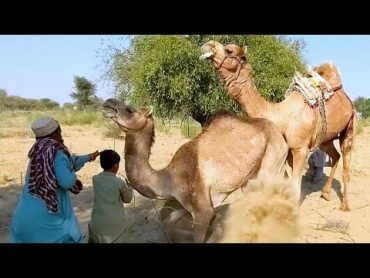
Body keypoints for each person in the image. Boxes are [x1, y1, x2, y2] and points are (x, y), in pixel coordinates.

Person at [9, 116, 100, 243]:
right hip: (48, 223)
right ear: (56, 132)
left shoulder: (39, 152)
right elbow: (66, 180)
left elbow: (66, 164)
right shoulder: (57, 151)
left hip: (23, 219)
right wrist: (74, 177)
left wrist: (89, 157)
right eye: (60, 131)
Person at [88, 149, 133, 243]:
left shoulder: (95, 179)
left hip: (96, 224)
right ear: (116, 165)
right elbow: (127, 199)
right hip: (115, 225)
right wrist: (130, 188)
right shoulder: (120, 183)